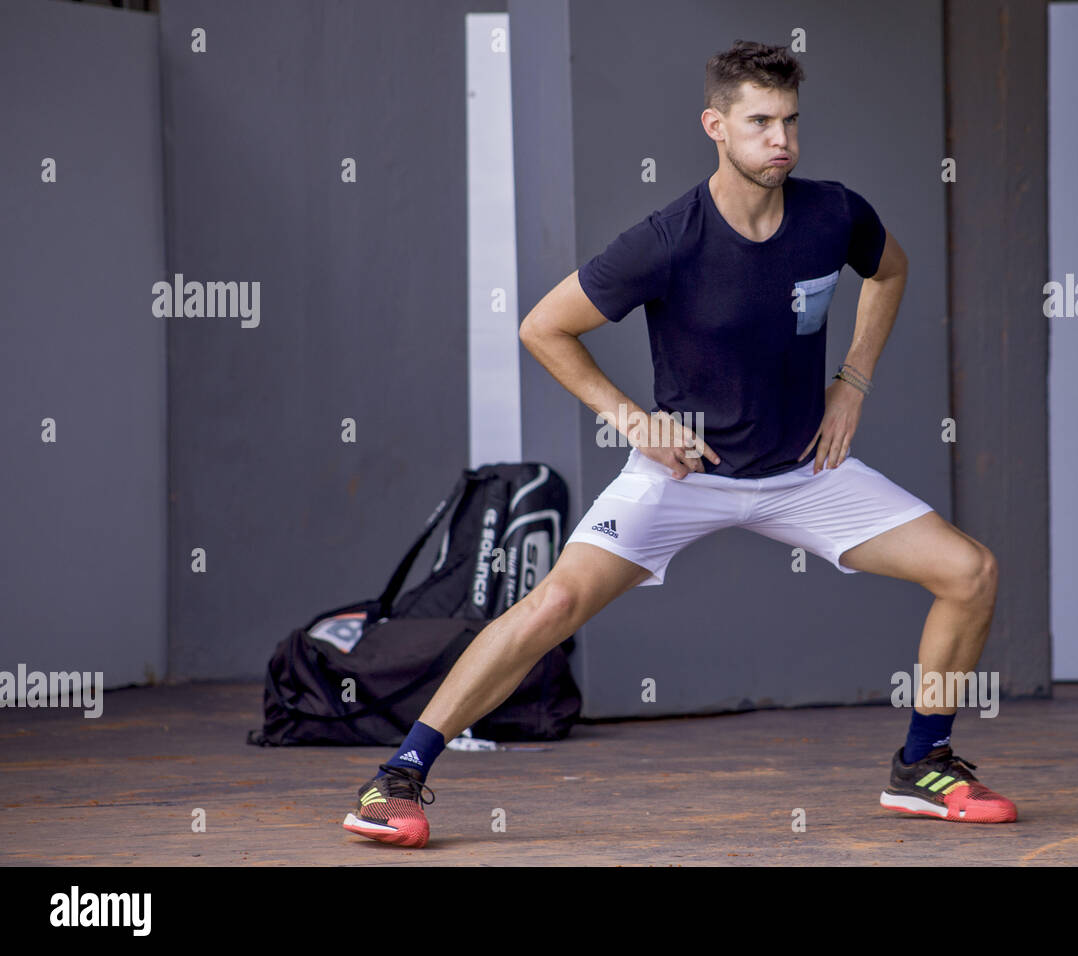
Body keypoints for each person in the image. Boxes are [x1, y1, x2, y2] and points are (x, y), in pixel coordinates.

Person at [342, 39, 1015, 848]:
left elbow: (891, 271)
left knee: (970, 572)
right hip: (687, 475)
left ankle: (924, 766)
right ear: (715, 126)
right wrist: (633, 421)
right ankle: (397, 778)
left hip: (806, 471)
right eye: (760, 121)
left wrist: (854, 381)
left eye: (791, 121)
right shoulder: (668, 240)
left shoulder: (835, 213)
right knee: (553, 604)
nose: (782, 140)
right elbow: (543, 327)